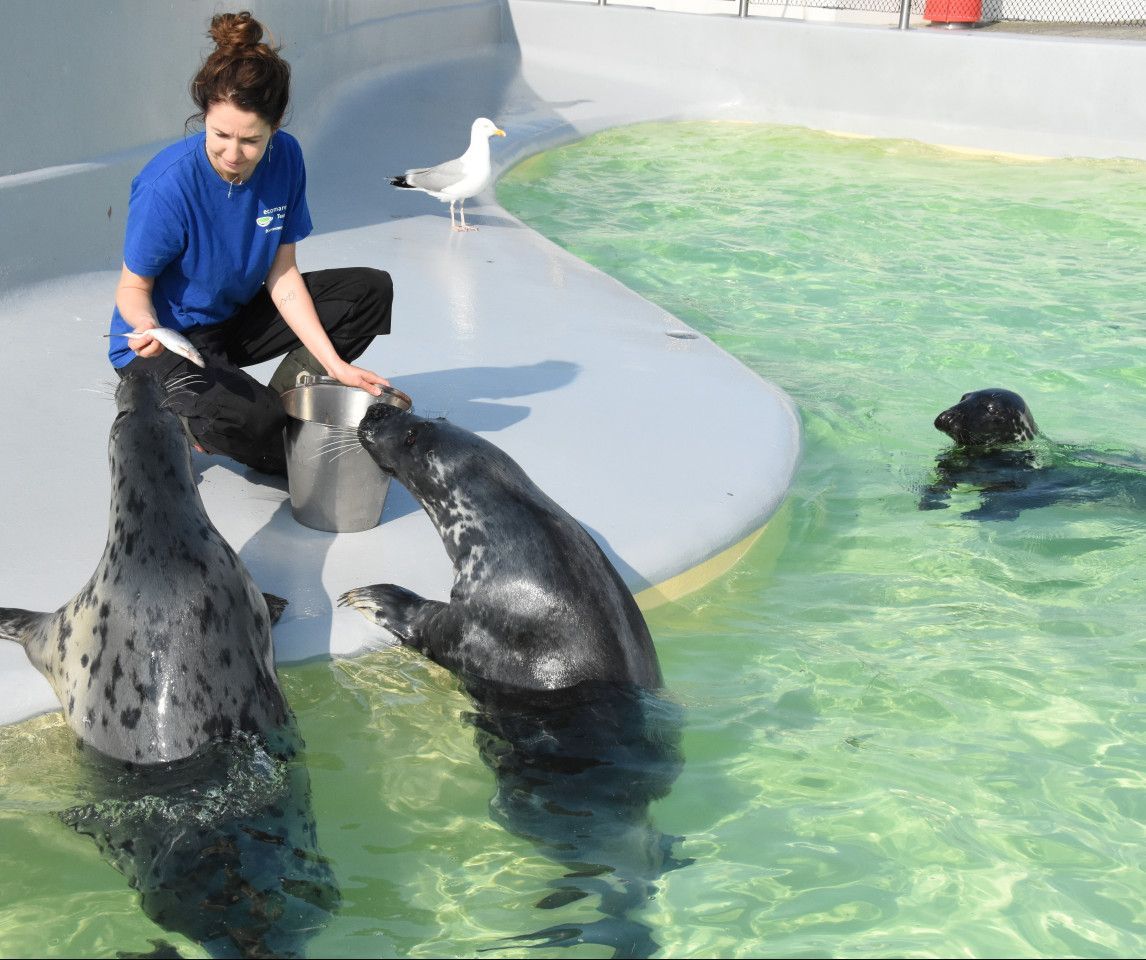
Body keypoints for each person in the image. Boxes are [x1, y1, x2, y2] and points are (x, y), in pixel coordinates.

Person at [108, 10, 392, 476]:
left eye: (251, 141)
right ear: (204, 116)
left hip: (234, 318)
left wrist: (335, 365)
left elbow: (283, 275)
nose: (232, 154)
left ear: (274, 129)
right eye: (220, 135)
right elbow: (132, 290)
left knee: (369, 293)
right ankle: (186, 413)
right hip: (169, 341)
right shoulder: (167, 186)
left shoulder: (288, 159)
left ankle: (276, 404)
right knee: (267, 433)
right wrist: (147, 331)